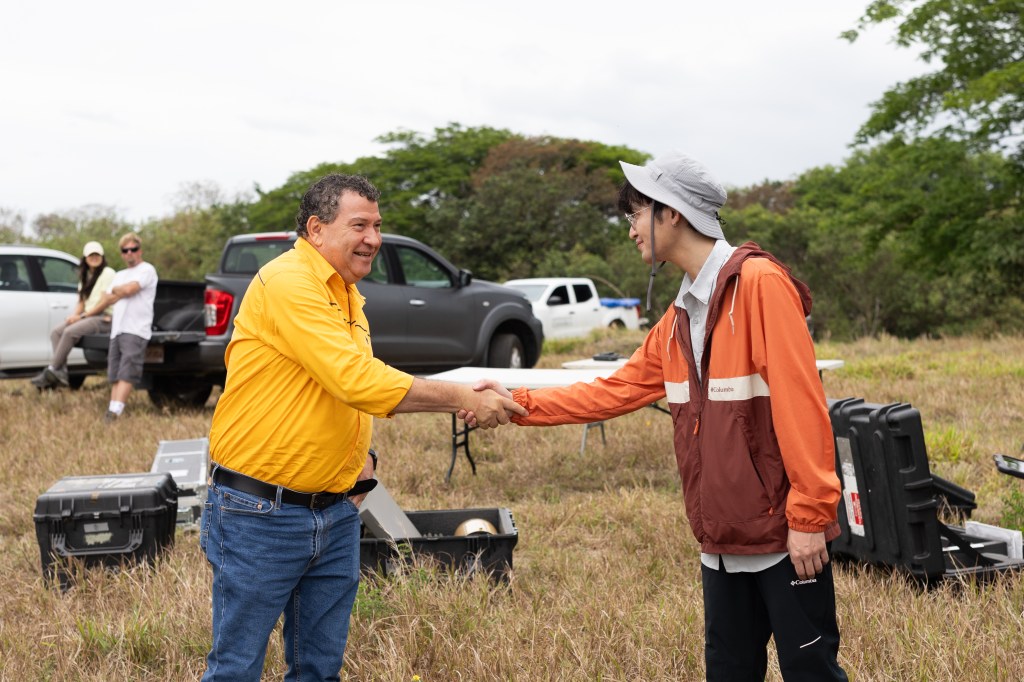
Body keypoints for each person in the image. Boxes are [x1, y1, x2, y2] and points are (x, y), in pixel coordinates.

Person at [468, 152, 847, 681]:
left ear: (671, 212)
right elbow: (613, 392)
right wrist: (517, 402)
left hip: (785, 540)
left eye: (635, 213)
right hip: (720, 542)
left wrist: (809, 517)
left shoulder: (761, 284)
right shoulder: (676, 318)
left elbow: (803, 405)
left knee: (811, 673)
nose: (630, 231)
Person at [200, 173, 526, 681]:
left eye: (377, 225)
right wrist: (462, 398)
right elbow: (355, 380)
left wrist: (360, 463)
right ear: (316, 229)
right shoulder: (289, 283)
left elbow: (337, 391)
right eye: (359, 225)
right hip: (260, 513)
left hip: (335, 511)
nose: (373, 238)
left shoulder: (348, 294)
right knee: (236, 669)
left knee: (319, 669)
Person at [87, 232, 158, 420]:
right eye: (125, 250)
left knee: (128, 369)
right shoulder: (120, 274)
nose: (129, 253)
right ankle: (112, 409)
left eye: (133, 249)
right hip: (117, 328)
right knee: (115, 371)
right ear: (121, 254)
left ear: (139, 250)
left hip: (136, 329)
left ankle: (117, 409)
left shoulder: (147, 270)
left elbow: (128, 290)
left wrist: (118, 291)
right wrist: (121, 291)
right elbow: (106, 298)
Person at [31, 241, 116, 388]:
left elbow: (104, 303)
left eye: (97, 254)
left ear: (102, 257)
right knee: (57, 332)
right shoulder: (86, 276)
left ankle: (52, 369)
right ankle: (61, 372)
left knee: (70, 332)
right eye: (91, 255)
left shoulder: (108, 273)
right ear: (85, 258)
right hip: (90, 316)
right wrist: (74, 316)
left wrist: (82, 317)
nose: (94, 257)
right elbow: (81, 302)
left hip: (105, 317)